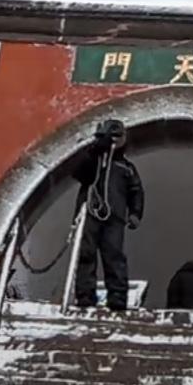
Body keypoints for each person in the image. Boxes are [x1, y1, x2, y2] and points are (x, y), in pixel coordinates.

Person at [73, 117, 144, 314]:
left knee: (114, 256)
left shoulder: (127, 168)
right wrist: (97, 150)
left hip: (115, 218)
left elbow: (136, 191)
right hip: (90, 213)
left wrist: (136, 213)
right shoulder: (92, 160)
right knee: (86, 255)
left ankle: (118, 298)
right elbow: (80, 174)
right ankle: (85, 296)